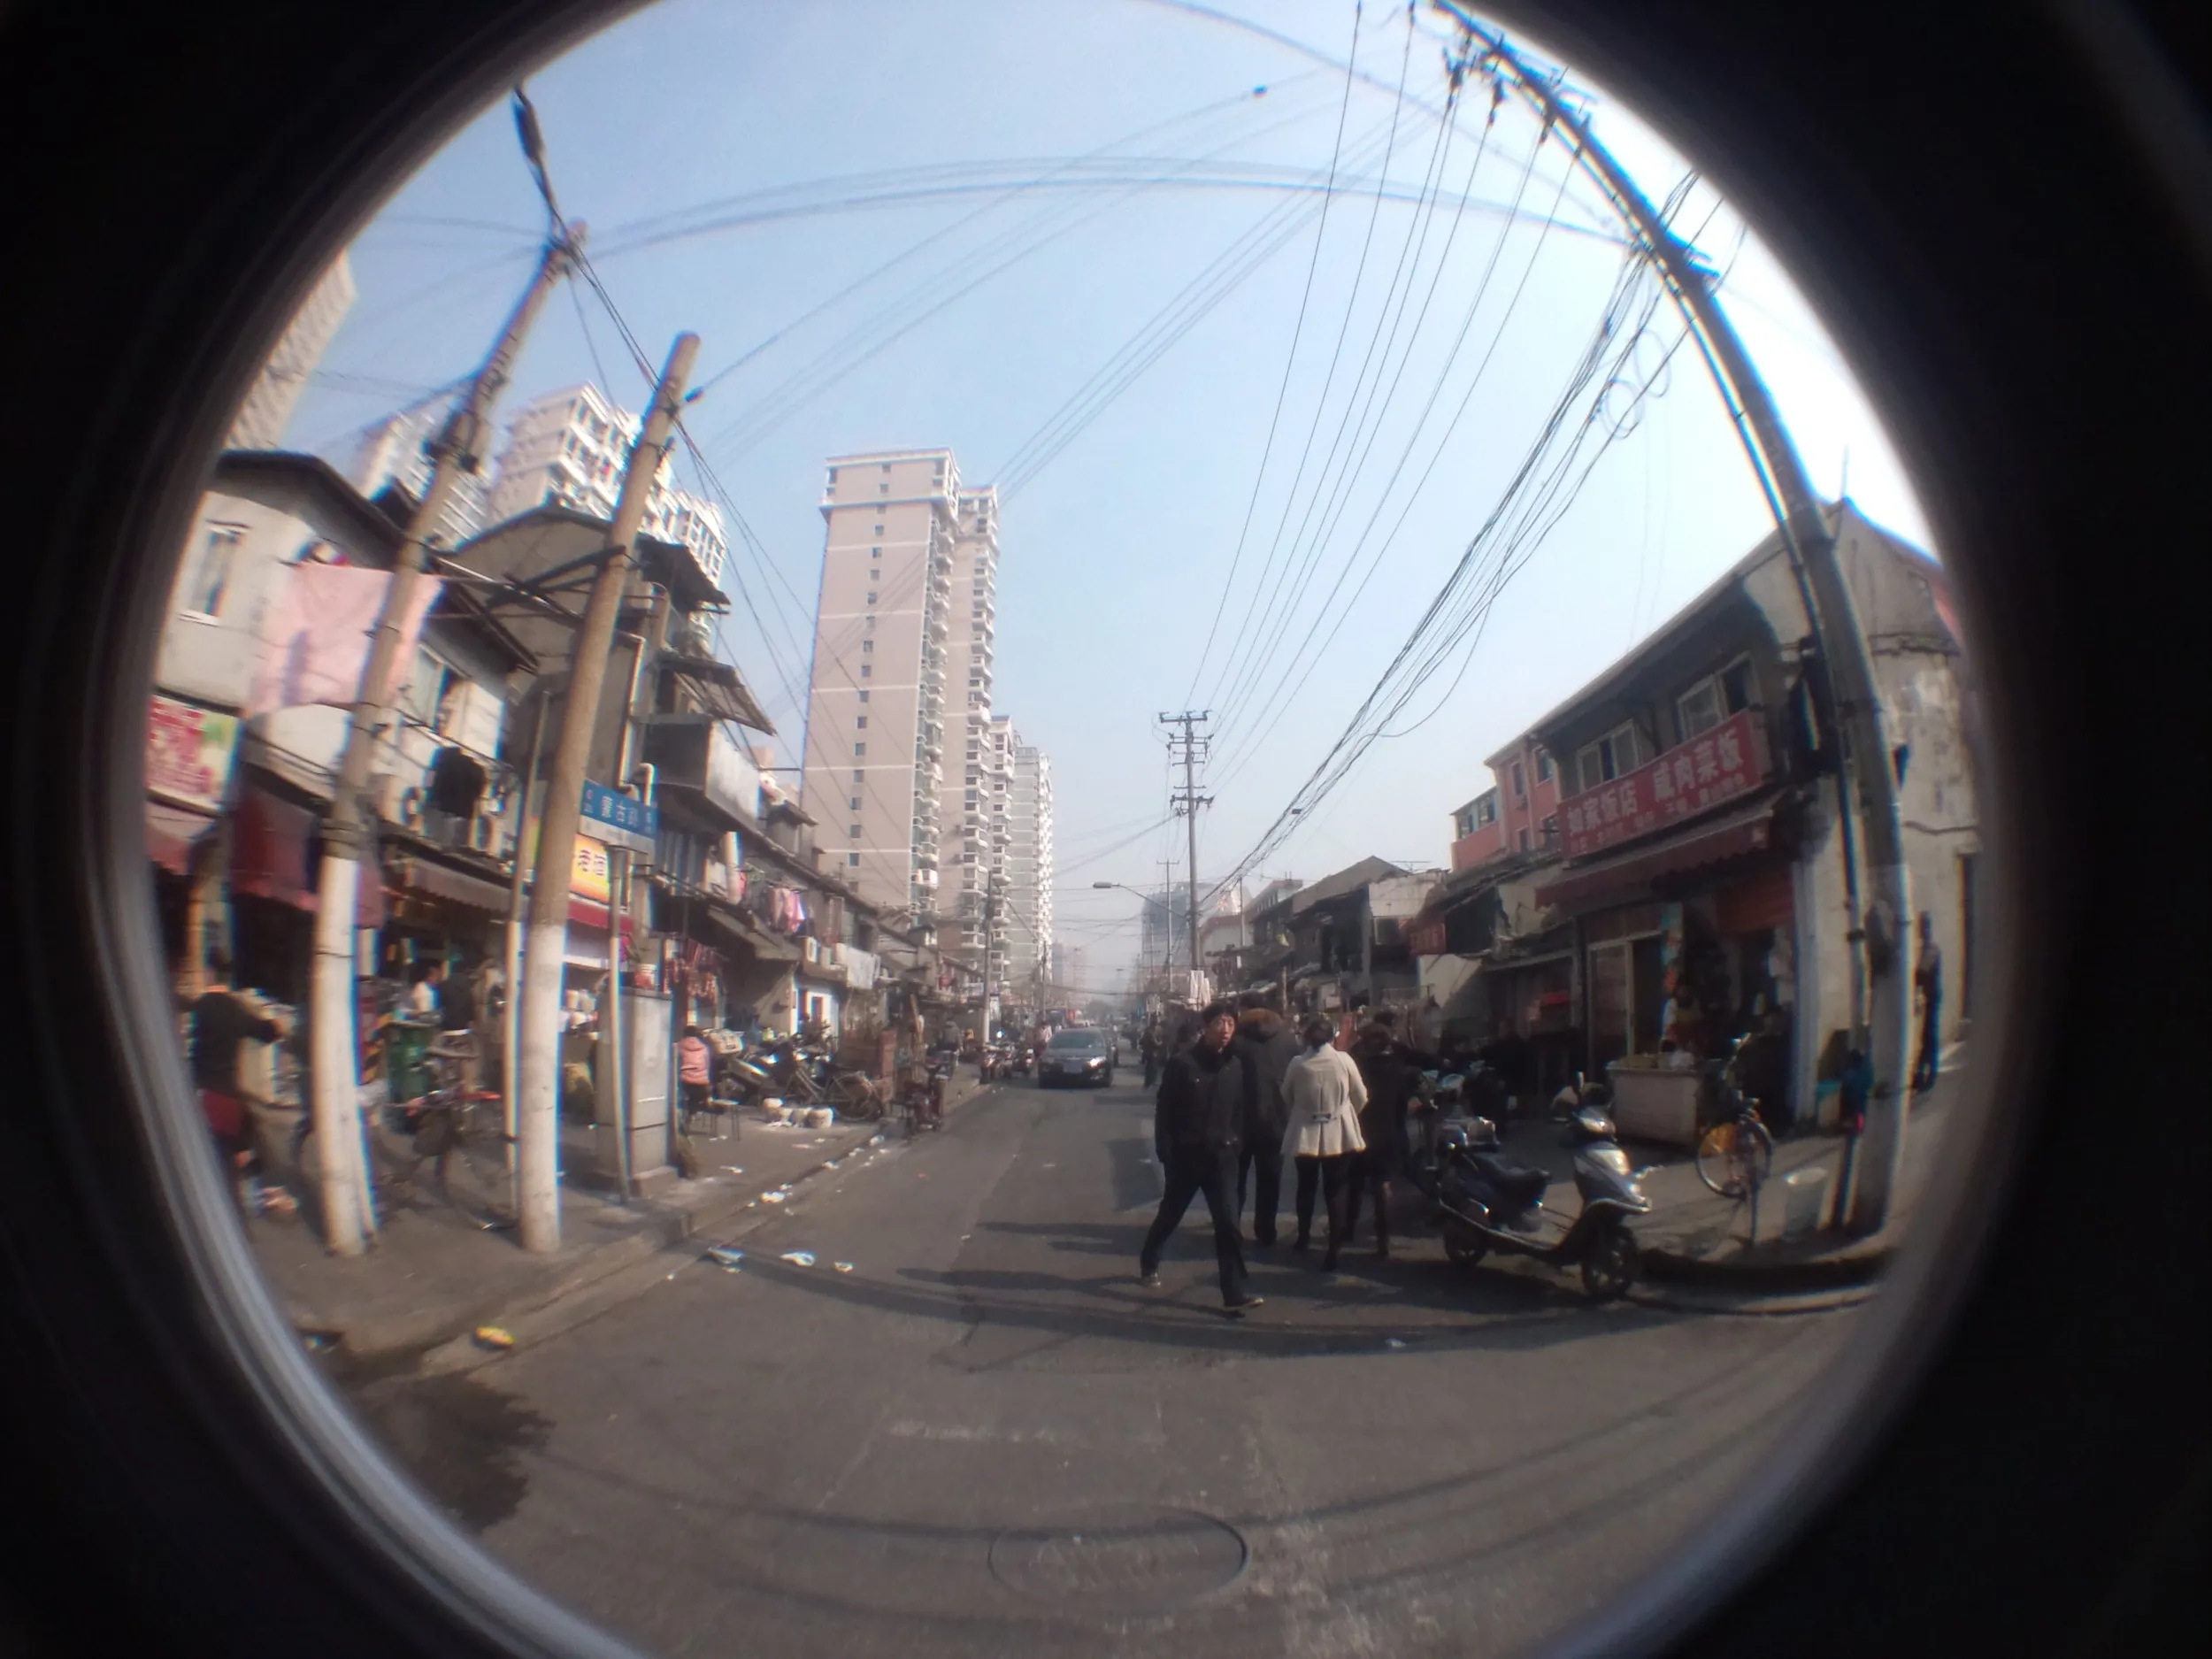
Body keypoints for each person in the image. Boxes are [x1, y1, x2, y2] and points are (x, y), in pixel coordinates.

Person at [1138, 1001, 1263, 1314]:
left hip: (1223, 1158)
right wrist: (1165, 1149)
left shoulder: (1236, 1065)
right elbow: (1164, 1111)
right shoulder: (1183, 1064)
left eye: (1231, 1024)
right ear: (1205, 1027)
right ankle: (1150, 1260)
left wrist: (1238, 1142)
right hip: (1187, 1157)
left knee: (1229, 1224)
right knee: (1171, 1214)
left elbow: (1242, 1110)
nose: (1226, 1030)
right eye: (1220, 1023)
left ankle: (1234, 1291)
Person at [187, 950, 286, 1217]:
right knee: (237, 1149)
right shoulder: (235, 1009)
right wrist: (278, 1026)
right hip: (228, 1098)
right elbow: (268, 1032)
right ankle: (236, 1207)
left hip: (200, 1095)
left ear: (208, 974)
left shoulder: (200, 1007)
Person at [1280, 1014, 1366, 1270]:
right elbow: (1361, 1096)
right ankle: (1334, 1247)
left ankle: (1303, 1237)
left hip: (1305, 1130)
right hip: (1339, 1130)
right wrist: (1347, 1114)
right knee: (1335, 1190)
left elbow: (1286, 1095)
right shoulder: (1344, 1060)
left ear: (1306, 1038)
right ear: (1332, 1037)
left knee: (1305, 1186)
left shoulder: (1298, 1063)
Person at [1346, 1014, 1417, 1261]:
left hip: (1359, 1130)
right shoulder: (1396, 1068)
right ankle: (1383, 1239)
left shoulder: (1356, 1066)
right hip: (1387, 1133)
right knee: (1382, 1186)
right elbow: (1401, 1105)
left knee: (1354, 1183)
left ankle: (1348, 1229)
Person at [1234, 995, 1299, 1247]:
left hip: (1240, 1121)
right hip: (1276, 1119)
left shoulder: (1236, 1042)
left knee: (1235, 1179)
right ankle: (1266, 1230)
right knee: (1270, 1179)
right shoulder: (1287, 1039)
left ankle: (1232, 1227)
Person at [1912, 911, 1944, 1093]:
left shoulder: (1931, 949)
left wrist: (1910, 977)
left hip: (1933, 996)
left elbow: (1922, 973)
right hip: (1930, 996)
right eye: (1921, 926)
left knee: (1930, 1036)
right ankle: (1921, 1073)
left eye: (1924, 926)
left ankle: (1931, 1075)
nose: (1922, 930)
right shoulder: (1925, 948)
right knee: (1926, 1035)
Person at [677, 1025, 712, 1128]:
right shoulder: (704, 1047)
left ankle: (681, 1115)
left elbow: (676, 1062)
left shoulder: (679, 1045)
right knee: (697, 1094)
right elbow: (707, 1064)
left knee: (681, 1093)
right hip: (701, 1082)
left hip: (684, 1080)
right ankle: (692, 1113)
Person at [1141, 1021, 1161, 1090]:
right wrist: (1161, 1044)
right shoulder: (1151, 1035)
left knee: (1148, 1068)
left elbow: (1141, 1042)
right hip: (1151, 1054)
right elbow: (1156, 1044)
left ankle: (1147, 1082)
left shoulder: (1145, 1035)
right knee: (1152, 1069)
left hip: (1146, 1053)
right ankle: (1150, 1082)